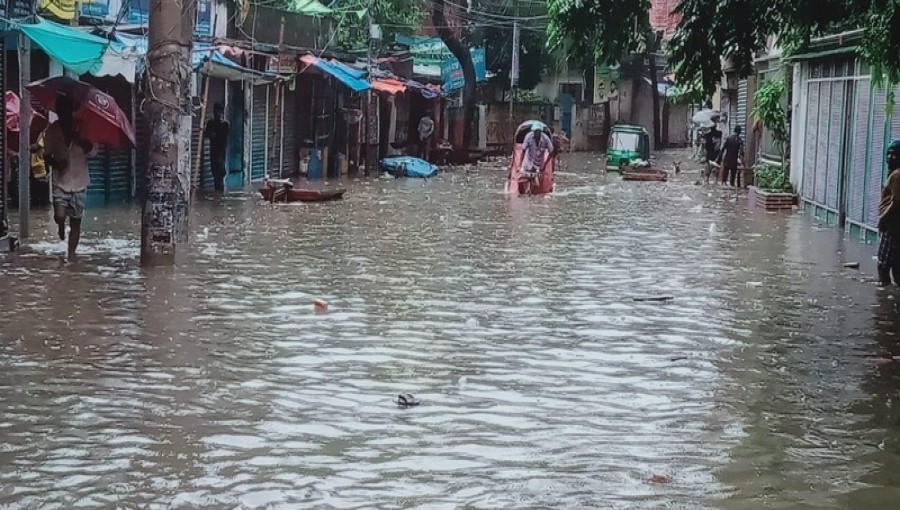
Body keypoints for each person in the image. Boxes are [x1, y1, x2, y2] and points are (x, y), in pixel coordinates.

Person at [44, 95, 95, 256]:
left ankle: (71, 255)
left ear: (72, 110)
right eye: (60, 111)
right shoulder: (52, 130)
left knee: (76, 220)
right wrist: (55, 164)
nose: (63, 114)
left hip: (80, 180)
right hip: (60, 180)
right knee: (59, 215)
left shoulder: (83, 128)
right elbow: (46, 154)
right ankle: (60, 225)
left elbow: (93, 151)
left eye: (66, 110)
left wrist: (77, 139)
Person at [878, 140, 900, 286]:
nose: (890, 157)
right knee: (896, 267)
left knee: (883, 265)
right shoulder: (893, 174)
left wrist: (882, 219)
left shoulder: (897, 175)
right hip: (893, 226)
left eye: (894, 154)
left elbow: (895, 202)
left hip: (892, 227)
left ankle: (885, 300)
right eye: (889, 153)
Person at [204, 103, 229, 193]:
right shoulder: (211, 123)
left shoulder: (225, 125)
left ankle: (220, 194)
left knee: (220, 174)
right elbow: (206, 134)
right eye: (215, 111)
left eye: (219, 111)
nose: (217, 114)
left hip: (221, 153)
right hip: (213, 152)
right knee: (215, 174)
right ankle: (218, 195)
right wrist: (209, 134)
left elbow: (223, 137)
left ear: (222, 112)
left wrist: (213, 135)